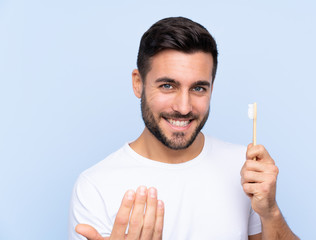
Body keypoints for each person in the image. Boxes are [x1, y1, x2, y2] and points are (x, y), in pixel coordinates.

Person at [68, 17, 299, 240]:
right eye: (168, 86)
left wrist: (270, 212)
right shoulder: (95, 186)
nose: (183, 107)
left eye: (198, 88)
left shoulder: (246, 170)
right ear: (138, 83)